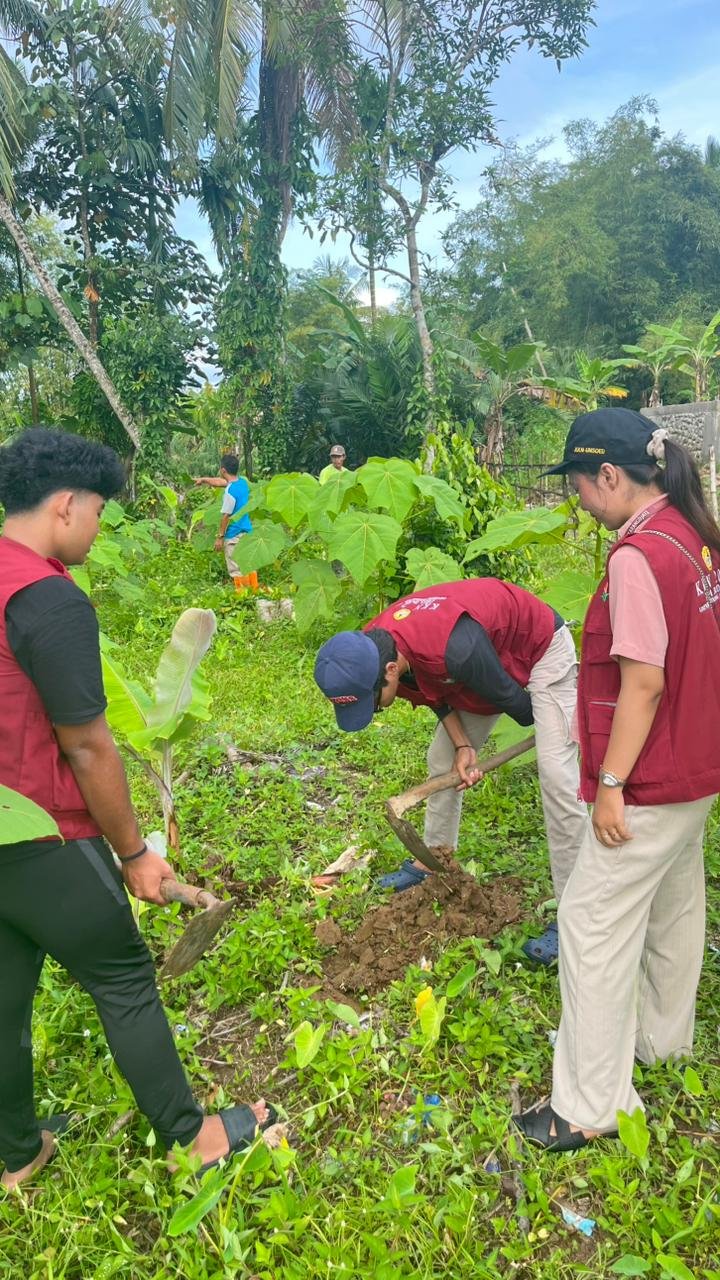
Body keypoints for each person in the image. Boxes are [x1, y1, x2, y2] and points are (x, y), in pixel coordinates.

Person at [0, 429, 274, 1189]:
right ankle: (196, 1138)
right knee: (122, 976)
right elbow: (88, 746)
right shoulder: (46, 597)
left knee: (4, 991)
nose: (96, 527)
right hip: (40, 831)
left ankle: (16, 1152)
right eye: (96, 511)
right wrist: (132, 854)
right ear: (65, 505)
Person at [514, 407, 720, 1152]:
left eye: (576, 484)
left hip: (652, 777)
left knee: (591, 923)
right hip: (698, 771)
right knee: (672, 904)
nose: (575, 500)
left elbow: (642, 684)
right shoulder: (693, 537)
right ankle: (662, 1039)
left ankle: (590, 1104)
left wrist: (608, 783)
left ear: (608, 476)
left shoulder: (638, 557)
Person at [314, 579, 589, 963]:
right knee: (442, 760)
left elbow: (516, 704)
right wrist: (463, 746)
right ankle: (434, 860)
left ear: (390, 671)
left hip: (535, 651)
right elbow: (432, 692)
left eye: (372, 703)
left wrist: (556, 727)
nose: (373, 710)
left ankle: (579, 917)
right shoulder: (369, 650)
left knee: (558, 780)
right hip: (476, 671)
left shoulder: (455, 650)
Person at [194, 454, 256, 590]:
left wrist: (220, 537)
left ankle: (243, 597)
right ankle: (255, 592)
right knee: (249, 563)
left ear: (223, 470)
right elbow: (221, 482)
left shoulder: (229, 492)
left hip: (234, 534)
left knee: (236, 567)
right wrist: (203, 480)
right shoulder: (242, 483)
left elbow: (225, 517)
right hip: (247, 531)